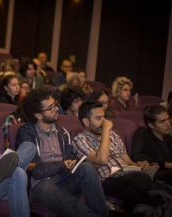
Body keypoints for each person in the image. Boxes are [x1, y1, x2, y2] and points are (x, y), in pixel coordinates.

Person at [15, 88, 109, 217]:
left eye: (55, 104)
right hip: (40, 185)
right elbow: (38, 171)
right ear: (38, 115)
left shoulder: (63, 132)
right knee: (46, 188)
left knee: (87, 167)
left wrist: (73, 163)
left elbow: (70, 159)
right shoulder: (26, 133)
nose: (55, 109)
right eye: (50, 108)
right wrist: (64, 164)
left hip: (64, 179)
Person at [72, 100, 152, 214]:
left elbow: (128, 162)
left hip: (126, 172)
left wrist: (139, 165)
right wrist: (105, 131)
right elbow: (102, 160)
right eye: (98, 118)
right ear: (86, 121)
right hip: (107, 179)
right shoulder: (80, 140)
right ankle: (130, 210)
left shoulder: (113, 135)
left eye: (103, 117)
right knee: (142, 180)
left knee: (164, 176)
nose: (104, 122)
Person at [131, 104, 172, 201]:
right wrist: (166, 164)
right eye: (162, 121)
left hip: (170, 173)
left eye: (167, 119)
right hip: (153, 173)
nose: (168, 124)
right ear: (151, 125)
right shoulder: (142, 133)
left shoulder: (168, 137)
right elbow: (136, 155)